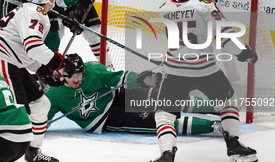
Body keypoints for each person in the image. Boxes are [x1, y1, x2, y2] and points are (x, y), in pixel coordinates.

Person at [140, 0, 258, 162]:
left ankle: (166, 156)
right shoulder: (205, 6)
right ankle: (234, 146)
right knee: (229, 102)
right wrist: (245, 53)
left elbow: (186, 10)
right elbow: (224, 36)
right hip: (205, 70)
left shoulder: (164, 9)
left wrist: (204, 1)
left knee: (164, 113)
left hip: (174, 71)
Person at [0, 0, 76, 162]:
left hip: (12, 60)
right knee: (16, 115)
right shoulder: (36, 13)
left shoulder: (30, 10)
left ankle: (32, 153)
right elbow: (32, 47)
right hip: (1, 60)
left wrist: (45, 70)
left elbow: (24, 51)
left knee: (41, 105)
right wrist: (60, 63)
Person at [46, 53, 223, 135]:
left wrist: (140, 80)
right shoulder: (54, 95)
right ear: (62, 74)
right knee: (159, 120)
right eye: (72, 76)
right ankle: (214, 126)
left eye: (79, 75)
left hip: (116, 96)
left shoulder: (93, 70)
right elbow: (40, 120)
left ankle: (217, 107)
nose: (77, 79)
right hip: (106, 119)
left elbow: (120, 77)